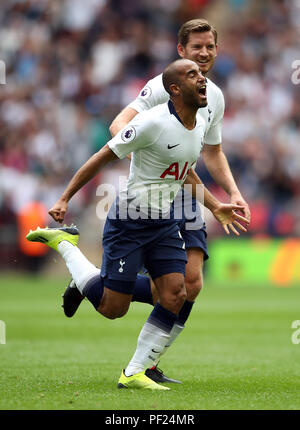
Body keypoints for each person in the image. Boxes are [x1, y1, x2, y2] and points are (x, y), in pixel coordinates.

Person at [27, 59, 248, 390]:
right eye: (192, 75)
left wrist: (215, 206)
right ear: (174, 90)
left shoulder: (200, 122)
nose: (202, 78)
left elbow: (183, 169)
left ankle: (133, 372)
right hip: (129, 221)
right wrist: (64, 198)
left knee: (176, 292)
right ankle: (67, 246)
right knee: (112, 308)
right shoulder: (151, 123)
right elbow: (102, 155)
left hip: (164, 223)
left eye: (201, 74)